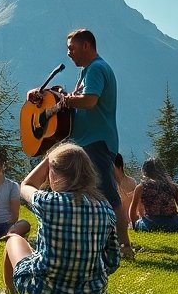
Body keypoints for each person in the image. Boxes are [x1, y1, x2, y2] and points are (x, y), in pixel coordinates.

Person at [31, 29, 133, 259]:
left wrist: (63, 100)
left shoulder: (96, 68)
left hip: (96, 142)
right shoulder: (88, 71)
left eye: (72, 48)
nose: (69, 54)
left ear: (87, 46)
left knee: (108, 194)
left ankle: (125, 247)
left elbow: (89, 100)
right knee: (90, 194)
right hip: (88, 141)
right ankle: (100, 245)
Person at [2, 141, 121, 294]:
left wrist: (48, 159)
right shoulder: (105, 207)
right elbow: (113, 262)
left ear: (54, 172)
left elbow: (26, 186)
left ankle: (10, 293)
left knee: (13, 239)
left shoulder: (48, 202)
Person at [130, 159, 178, 232]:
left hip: (150, 225)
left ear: (144, 171)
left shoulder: (141, 187)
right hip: (173, 224)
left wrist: (135, 224)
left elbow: (133, 211)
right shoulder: (172, 186)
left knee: (139, 223)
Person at [113, 154, 138, 222]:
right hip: (115, 221)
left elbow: (138, 204)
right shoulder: (110, 183)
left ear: (119, 167)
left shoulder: (131, 182)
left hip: (129, 221)